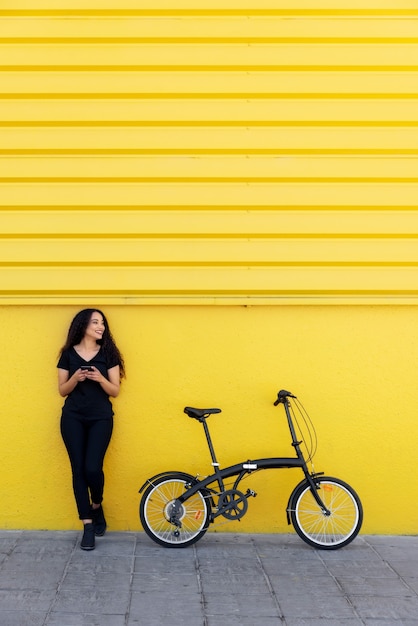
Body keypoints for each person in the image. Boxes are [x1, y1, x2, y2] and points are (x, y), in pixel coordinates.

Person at [57, 309, 125, 551]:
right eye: (96, 322)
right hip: (72, 417)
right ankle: (87, 526)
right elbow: (63, 390)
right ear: (82, 325)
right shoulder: (67, 354)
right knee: (78, 471)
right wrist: (76, 377)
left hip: (100, 417)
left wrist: (99, 378)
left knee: (93, 468)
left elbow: (115, 391)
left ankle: (97, 505)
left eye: (103, 323)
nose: (101, 327)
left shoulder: (108, 354)